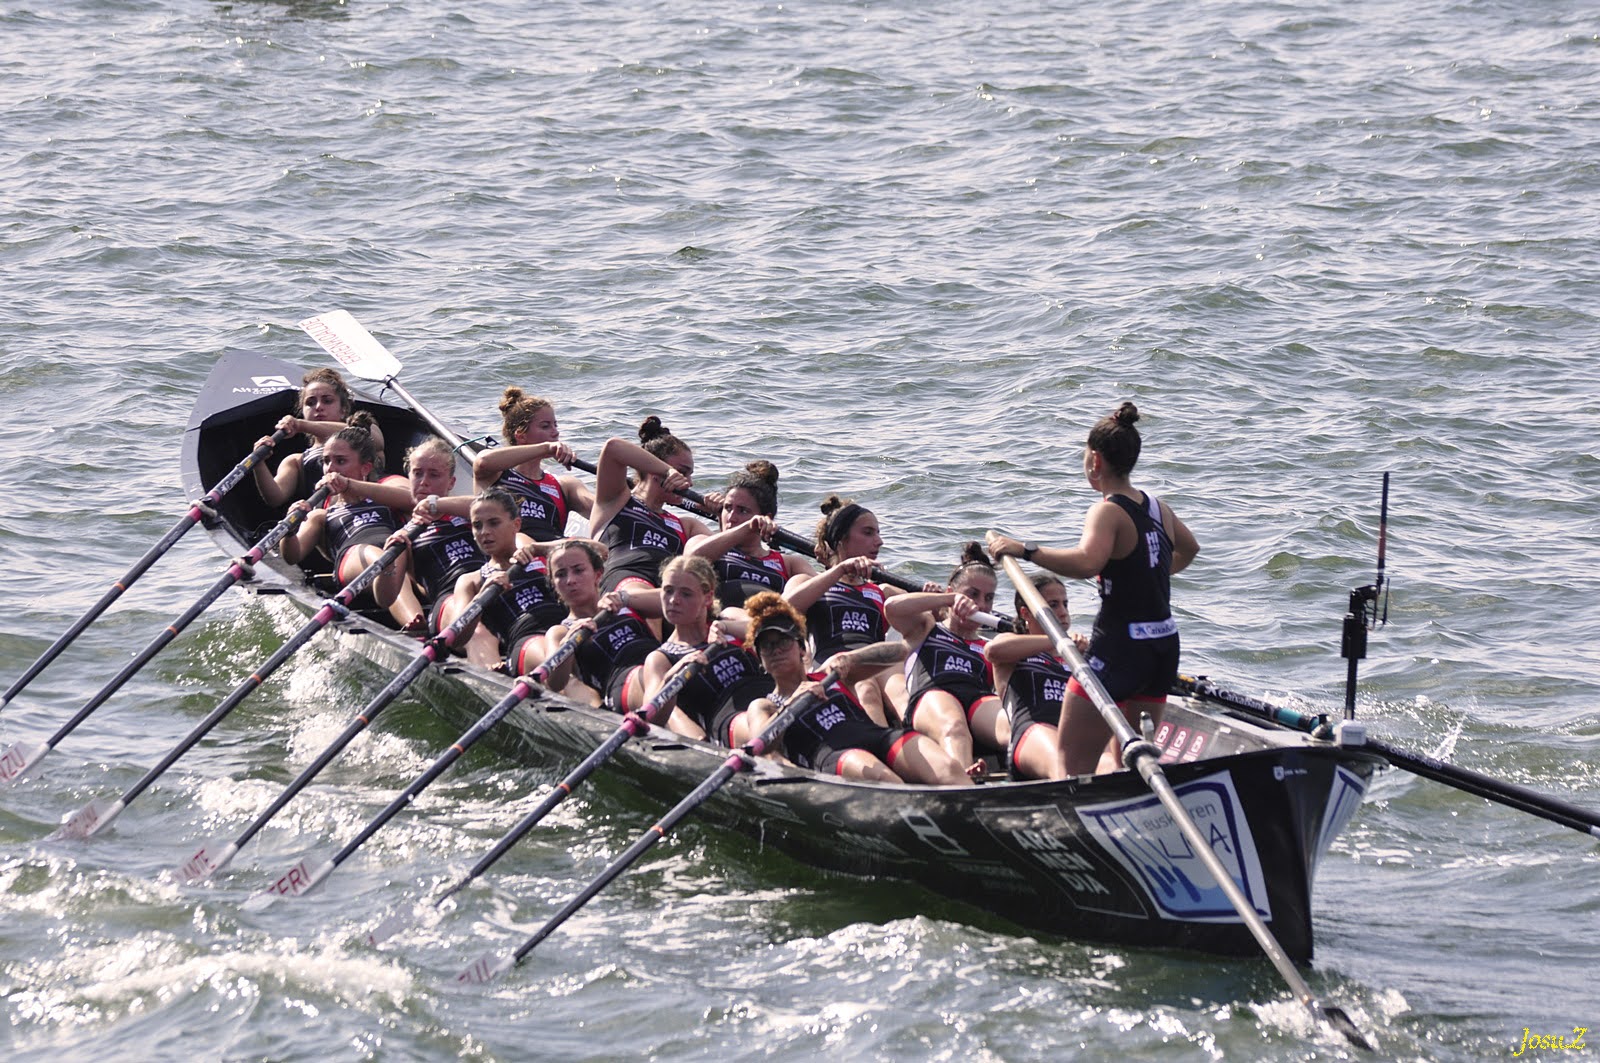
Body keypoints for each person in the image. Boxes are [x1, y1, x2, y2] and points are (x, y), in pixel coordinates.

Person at [988, 402, 1199, 777]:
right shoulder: (1159, 508)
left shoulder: (1107, 510)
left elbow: (1088, 563)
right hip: (1163, 645)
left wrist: (1026, 550)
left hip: (1120, 647)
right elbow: (1190, 548)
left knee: (1070, 764)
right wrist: (1146, 574)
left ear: (1096, 461)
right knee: (1130, 763)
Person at [740, 593, 970, 785]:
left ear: (801, 648)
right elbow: (760, 746)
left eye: (782, 641)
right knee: (882, 777)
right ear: (760, 659)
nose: (776, 651)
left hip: (879, 738)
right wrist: (791, 704)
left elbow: (899, 652)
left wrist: (852, 658)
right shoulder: (764, 705)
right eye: (766, 646)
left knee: (948, 768)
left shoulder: (829, 674)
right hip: (835, 757)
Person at [781, 494, 933, 725]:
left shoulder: (883, 591)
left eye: (878, 533)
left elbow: (930, 621)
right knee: (866, 687)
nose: (879, 541)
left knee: (901, 690)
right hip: (834, 665)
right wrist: (840, 570)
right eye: (868, 533)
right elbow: (780, 612)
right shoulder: (808, 582)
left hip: (880, 661)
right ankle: (880, 739)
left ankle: (913, 732)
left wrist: (935, 599)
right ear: (841, 540)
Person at [883, 542, 1007, 778]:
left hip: (977, 703)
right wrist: (946, 600)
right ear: (953, 591)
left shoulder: (990, 647)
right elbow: (892, 607)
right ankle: (963, 780)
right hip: (932, 698)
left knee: (1011, 724)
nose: (981, 605)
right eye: (972, 594)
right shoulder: (927, 628)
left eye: (989, 598)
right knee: (954, 726)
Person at [639, 556, 774, 745]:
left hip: (772, 694)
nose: (674, 600)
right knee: (763, 718)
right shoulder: (661, 659)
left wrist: (725, 628)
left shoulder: (729, 619)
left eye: (686, 594)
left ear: (708, 597)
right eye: (668, 591)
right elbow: (651, 718)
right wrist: (673, 676)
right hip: (730, 718)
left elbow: (776, 629)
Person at [278, 425, 409, 609]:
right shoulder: (320, 515)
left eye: (340, 461)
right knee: (386, 559)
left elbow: (415, 501)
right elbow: (292, 556)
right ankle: (413, 616)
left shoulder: (384, 495)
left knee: (397, 553)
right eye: (325, 461)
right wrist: (289, 531)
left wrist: (348, 485)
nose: (330, 468)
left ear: (365, 468)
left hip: (395, 556)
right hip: (358, 562)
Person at [440, 488, 565, 672]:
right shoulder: (471, 581)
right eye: (477, 525)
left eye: (494, 523)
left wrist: (539, 549)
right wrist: (480, 598)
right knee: (557, 659)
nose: (484, 532)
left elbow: (600, 551)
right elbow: (456, 638)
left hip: (566, 631)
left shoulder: (539, 557)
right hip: (528, 642)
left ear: (516, 524)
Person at [589, 416, 714, 597]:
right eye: (682, 472)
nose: (689, 483)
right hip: (622, 586)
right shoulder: (616, 500)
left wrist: (724, 513)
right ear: (653, 470)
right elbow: (613, 447)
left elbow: (729, 556)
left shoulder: (686, 526)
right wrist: (667, 471)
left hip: (669, 593)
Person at [538, 538, 662, 712]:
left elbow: (676, 602)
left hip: (661, 670)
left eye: (578, 570)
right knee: (651, 676)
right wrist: (568, 642)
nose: (570, 580)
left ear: (598, 574)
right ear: (554, 584)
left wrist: (626, 598)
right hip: (623, 686)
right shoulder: (560, 632)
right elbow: (554, 682)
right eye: (561, 574)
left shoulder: (622, 601)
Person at [983, 573, 1084, 780]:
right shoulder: (1012, 645)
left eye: (1065, 604)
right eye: (1053, 605)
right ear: (1026, 613)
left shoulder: (1076, 656)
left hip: (1075, 735)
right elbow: (993, 651)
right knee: (1065, 763)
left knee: (1113, 761)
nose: (1063, 612)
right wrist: (1058, 640)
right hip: (1033, 731)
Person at [380, 436, 485, 635]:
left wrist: (436, 504)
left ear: (451, 483)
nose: (424, 482)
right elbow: (385, 599)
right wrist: (387, 565)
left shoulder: (470, 514)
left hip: (489, 583)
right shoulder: (403, 536)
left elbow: (499, 506)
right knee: (476, 629)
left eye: (434, 475)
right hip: (450, 598)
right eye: (417, 473)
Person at [686, 461, 816, 614]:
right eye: (728, 508)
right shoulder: (702, 541)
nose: (731, 517)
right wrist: (746, 527)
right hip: (722, 622)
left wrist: (832, 560)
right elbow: (689, 564)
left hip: (768, 624)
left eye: (742, 511)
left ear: (766, 518)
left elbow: (824, 592)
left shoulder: (789, 564)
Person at [471, 387, 594, 542]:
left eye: (555, 425)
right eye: (545, 426)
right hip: (514, 550)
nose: (555, 432)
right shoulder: (496, 475)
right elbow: (482, 462)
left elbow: (603, 509)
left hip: (555, 551)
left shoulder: (564, 485)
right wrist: (546, 448)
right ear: (521, 436)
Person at [252, 368, 355, 507]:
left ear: (343, 410)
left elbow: (358, 433)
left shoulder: (363, 433)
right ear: (303, 411)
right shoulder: (296, 461)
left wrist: (300, 425)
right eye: (310, 403)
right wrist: (258, 463)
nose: (318, 407)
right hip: (325, 516)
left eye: (327, 401)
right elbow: (275, 498)